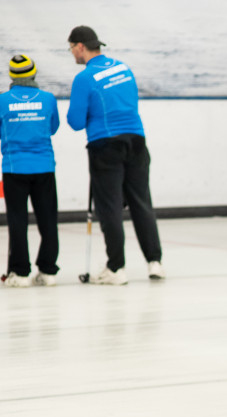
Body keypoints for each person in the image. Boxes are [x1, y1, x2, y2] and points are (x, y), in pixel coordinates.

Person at [67, 26, 164, 285]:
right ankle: (155, 262)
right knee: (141, 202)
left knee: (109, 207)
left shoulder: (85, 78)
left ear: (80, 46)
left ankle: (116, 268)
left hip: (105, 145)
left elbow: (75, 122)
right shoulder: (123, 68)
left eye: (71, 48)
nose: (72, 53)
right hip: (136, 140)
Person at [1, 54, 60, 287]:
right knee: (48, 220)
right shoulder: (48, 99)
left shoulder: (2, 101)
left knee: (17, 221)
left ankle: (20, 272)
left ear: (11, 75)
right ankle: (48, 271)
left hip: (14, 168)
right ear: (34, 73)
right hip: (44, 167)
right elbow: (53, 128)